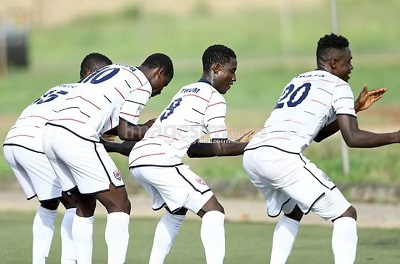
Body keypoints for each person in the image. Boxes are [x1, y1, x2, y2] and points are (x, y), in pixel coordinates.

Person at [242, 33, 398, 264]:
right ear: (334, 63)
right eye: (348, 61)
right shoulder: (339, 85)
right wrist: (396, 136)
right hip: (282, 158)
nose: (351, 66)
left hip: (254, 154)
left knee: (293, 212)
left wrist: (354, 107)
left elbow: (318, 135)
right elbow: (353, 138)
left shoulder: (298, 79)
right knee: (346, 215)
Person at [42, 53, 174, 264]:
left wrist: (137, 132)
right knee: (119, 203)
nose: (158, 92)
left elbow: (112, 125)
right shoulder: (142, 83)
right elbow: (126, 131)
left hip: (50, 134)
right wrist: (154, 129)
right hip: (76, 134)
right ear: (160, 73)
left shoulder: (117, 71)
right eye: (163, 84)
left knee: (84, 202)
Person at [129, 44, 253, 263]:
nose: (234, 78)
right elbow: (222, 146)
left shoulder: (186, 90)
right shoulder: (213, 97)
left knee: (176, 212)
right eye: (232, 70)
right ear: (216, 68)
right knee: (213, 211)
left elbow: (194, 150)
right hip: (160, 160)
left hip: (139, 158)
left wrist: (234, 144)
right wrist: (253, 146)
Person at [3, 52, 112, 264]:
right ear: (90, 73)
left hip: (13, 141)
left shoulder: (58, 87)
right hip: (36, 143)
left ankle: (38, 261)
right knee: (76, 203)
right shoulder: (88, 94)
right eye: (104, 74)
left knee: (49, 203)